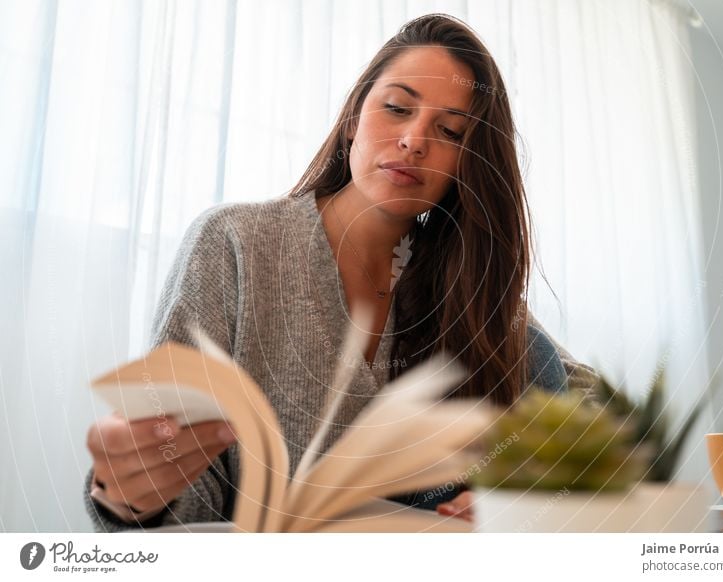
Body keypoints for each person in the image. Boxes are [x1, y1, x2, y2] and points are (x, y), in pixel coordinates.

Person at [83, 13, 598, 532]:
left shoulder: (464, 287)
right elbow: (178, 489)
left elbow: (595, 407)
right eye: (397, 108)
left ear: (468, 164)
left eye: (450, 131)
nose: (414, 140)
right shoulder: (235, 243)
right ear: (354, 118)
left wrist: (523, 492)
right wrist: (131, 496)